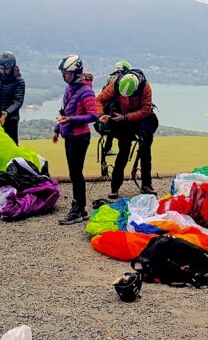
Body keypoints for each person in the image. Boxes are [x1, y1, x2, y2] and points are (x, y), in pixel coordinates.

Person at [96, 66, 159, 197]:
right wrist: (101, 115)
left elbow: (146, 109)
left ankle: (146, 185)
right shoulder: (116, 84)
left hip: (140, 119)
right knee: (123, 151)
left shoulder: (145, 88)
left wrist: (125, 117)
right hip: (121, 120)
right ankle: (115, 187)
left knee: (145, 152)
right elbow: (99, 100)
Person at [52, 55, 100, 225]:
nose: (63, 76)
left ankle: (78, 209)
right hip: (70, 135)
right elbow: (65, 111)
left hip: (80, 137)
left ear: (74, 72)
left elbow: (94, 116)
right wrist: (57, 129)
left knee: (76, 173)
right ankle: (80, 208)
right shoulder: (71, 88)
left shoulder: (86, 91)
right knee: (74, 173)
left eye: (66, 73)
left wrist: (71, 120)